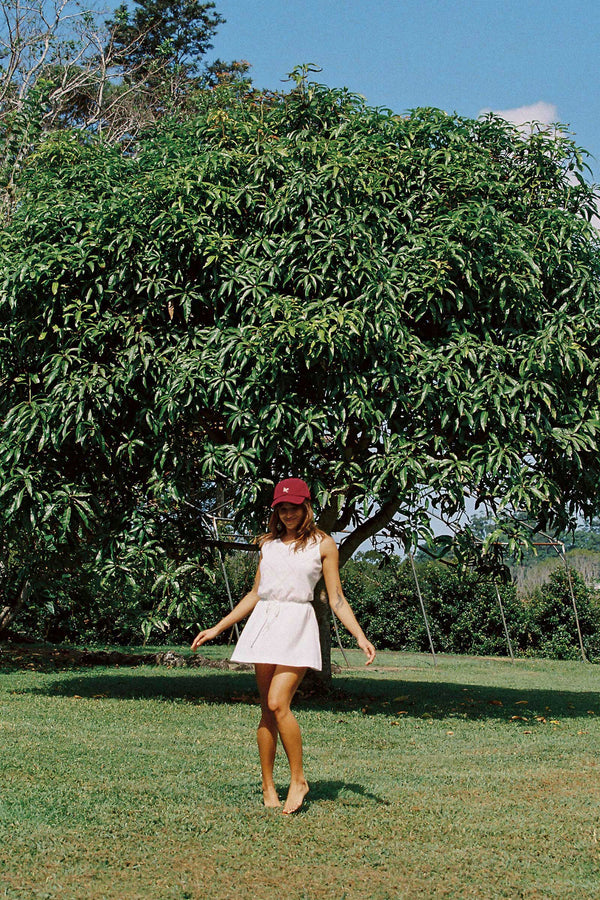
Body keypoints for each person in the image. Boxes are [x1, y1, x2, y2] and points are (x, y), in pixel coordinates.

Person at [191, 477, 376, 814]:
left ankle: (298, 779)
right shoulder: (268, 545)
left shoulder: (324, 544)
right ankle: (267, 786)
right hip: (265, 624)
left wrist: (359, 636)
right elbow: (255, 594)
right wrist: (218, 627)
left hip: (298, 626)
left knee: (279, 703)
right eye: (282, 508)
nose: (288, 513)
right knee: (266, 710)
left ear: (307, 507)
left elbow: (335, 597)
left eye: (294, 507)